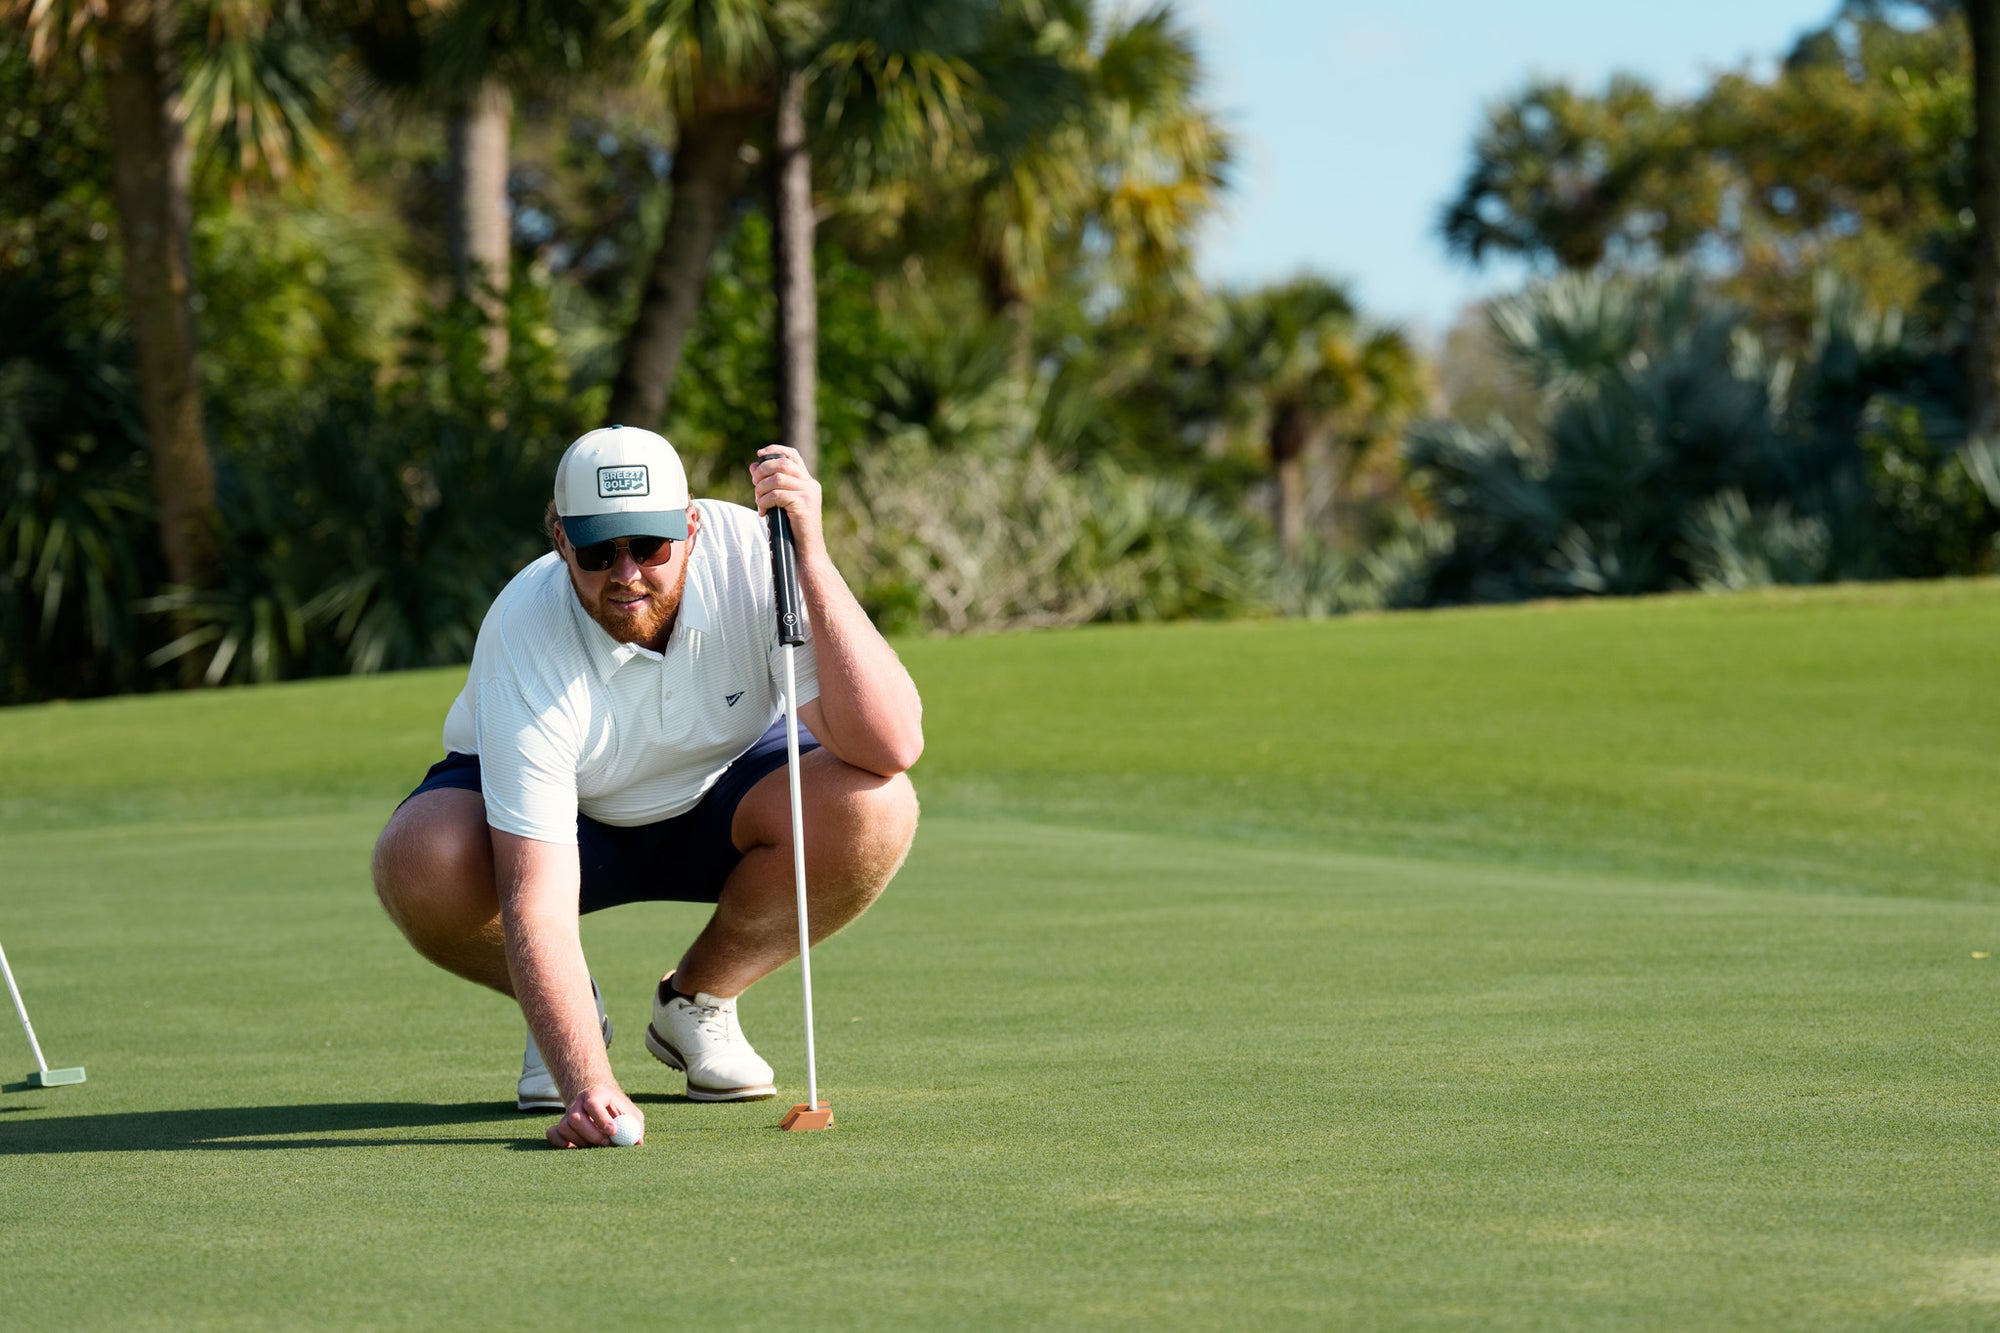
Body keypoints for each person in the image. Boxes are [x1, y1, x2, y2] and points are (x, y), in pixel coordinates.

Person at [371, 426, 923, 1148]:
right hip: (571, 823)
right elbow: (534, 896)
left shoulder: (759, 557)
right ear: (561, 539)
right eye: (599, 552)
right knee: (420, 855)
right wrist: (589, 1085)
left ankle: (696, 1002)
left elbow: (892, 743)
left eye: (649, 547)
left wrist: (811, 554)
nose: (625, 573)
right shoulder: (524, 627)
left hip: (720, 793)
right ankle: (568, 1016)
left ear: (690, 527)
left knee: (876, 804)